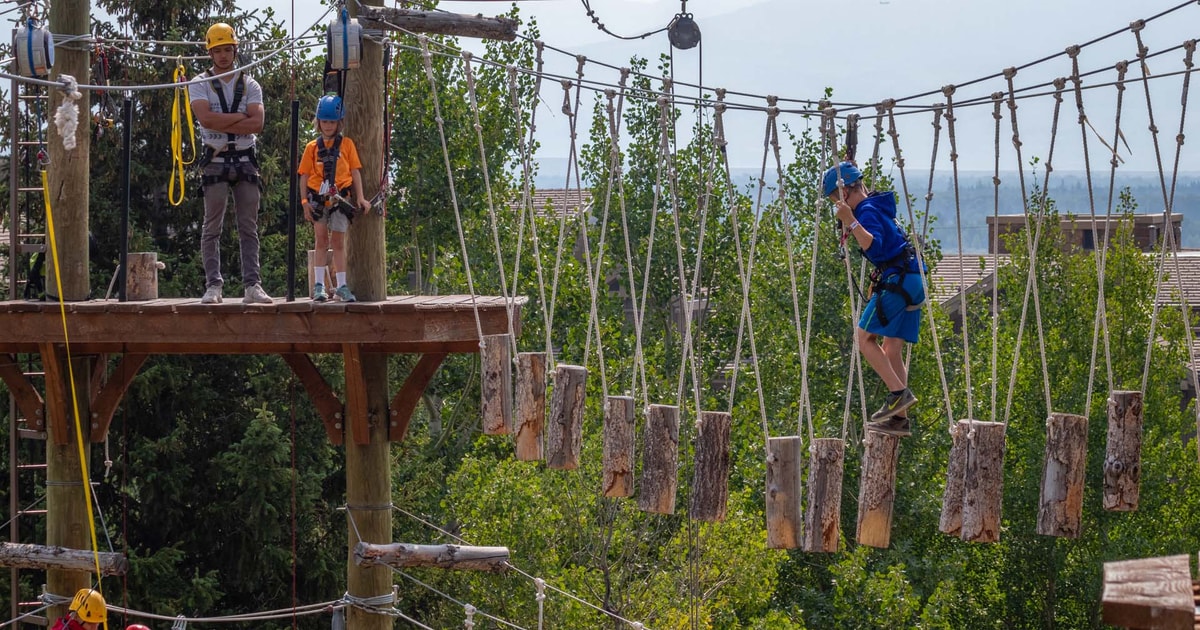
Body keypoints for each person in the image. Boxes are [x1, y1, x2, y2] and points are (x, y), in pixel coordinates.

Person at [824, 161, 926, 437]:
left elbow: (873, 244)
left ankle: (897, 394)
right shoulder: (878, 207)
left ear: (844, 193)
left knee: (864, 338)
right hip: (913, 279)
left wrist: (850, 221)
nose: (836, 205)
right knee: (891, 348)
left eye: (835, 199)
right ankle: (899, 420)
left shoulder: (866, 211)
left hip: (900, 279)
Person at [190, 22, 272, 305]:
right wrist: (241, 118)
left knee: (248, 225)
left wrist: (222, 119)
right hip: (215, 159)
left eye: (227, 50)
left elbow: (258, 123)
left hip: (245, 160)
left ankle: (253, 285)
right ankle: (213, 285)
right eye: (218, 51)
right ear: (210, 53)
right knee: (212, 226)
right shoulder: (199, 83)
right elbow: (206, 120)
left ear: (235, 51)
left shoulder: (250, 84)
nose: (223, 56)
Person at [297, 94, 370, 303]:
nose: (328, 126)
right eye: (324, 121)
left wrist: (361, 198)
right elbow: (304, 176)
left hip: (340, 199)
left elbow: (355, 172)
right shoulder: (312, 147)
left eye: (332, 122)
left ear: (339, 123)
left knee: (338, 242)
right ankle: (319, 285)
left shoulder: (346, 145)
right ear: (318, 122)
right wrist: (304, 203)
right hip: (317, 200)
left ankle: (342, 286)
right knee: (321, 241)